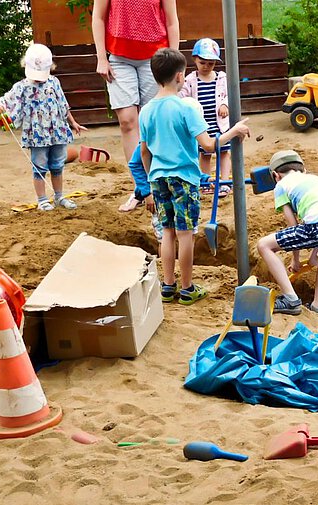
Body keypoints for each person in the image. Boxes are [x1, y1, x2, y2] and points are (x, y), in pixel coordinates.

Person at [139, 48, 250, 306]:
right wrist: (234, 131)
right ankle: (187, 288)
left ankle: (168, 287)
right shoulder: (185, 108)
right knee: (185, 233)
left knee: (166, 232)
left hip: (158, 178)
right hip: (184, 178)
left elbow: (145, 152)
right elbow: (209, 145)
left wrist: (149, 181)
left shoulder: (146, 111)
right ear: (180, 77)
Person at [91, 0, 180, 211]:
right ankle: (141, 187)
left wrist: (173, 63)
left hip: (155, 56)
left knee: (154, 121)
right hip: (119, 58)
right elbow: (98, 17)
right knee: (128, 121)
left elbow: (172, 22)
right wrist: (102, 58)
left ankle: (159, 182)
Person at [256, 150, 318, 315]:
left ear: (275, 175)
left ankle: (291, 299)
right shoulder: (316, 179)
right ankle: (317, 306)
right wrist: (315, 254)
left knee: (263, 245)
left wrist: (296, 260)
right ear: (303, 170)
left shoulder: (280, 186)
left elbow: (293, 225)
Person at [0, 43, 87, 212]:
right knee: (39, 166)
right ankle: (42, 200)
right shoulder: (22, 87)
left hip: (57, 131)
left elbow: (63, 104)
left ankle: (59, 196)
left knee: (58, 164)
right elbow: (7, 99)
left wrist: (73, 122)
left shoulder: (54, 82)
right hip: (36, 134)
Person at [177, 38, 232, 197]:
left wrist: (225, 105)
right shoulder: (190, 80)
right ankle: (206, 183)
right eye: (203, 63)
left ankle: (224, 182)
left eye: (211, 63)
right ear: (194, 59)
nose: (206, 67)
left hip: (220, 124)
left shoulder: (221, 78)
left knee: (224, 152)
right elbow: (182, 97)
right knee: (205, 153)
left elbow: (230, 94)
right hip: (202, 126)